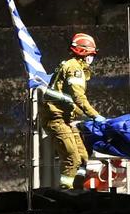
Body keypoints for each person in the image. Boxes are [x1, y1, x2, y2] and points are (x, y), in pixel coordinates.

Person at [41, 33, 106, 189]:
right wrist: (95, 115)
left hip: (66, 120)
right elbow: (78, 96)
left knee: (83, 157)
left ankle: (78, 189)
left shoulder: (71, 65)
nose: (92, 58)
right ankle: (66, 193)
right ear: (83, 53)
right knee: (72, 159)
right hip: (57, 119)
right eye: (91, 54)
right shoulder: (74, 68)